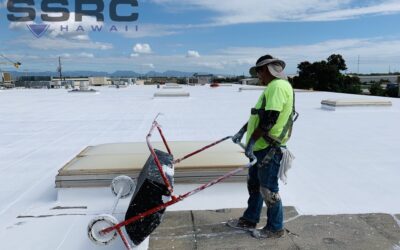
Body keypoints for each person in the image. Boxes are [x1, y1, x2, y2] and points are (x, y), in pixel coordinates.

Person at [227, 54, 296, 238]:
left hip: (268, 148)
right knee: (255, 186)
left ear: (265, 69)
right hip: (261, 147)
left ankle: (275, 228)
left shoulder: (277, 86)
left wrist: (249, 143)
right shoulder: (274, 87)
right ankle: (250, 219)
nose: (258, 76)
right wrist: (242, 131)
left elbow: (269, 120)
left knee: (268, 189)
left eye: (258, 72)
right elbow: (258, 117)